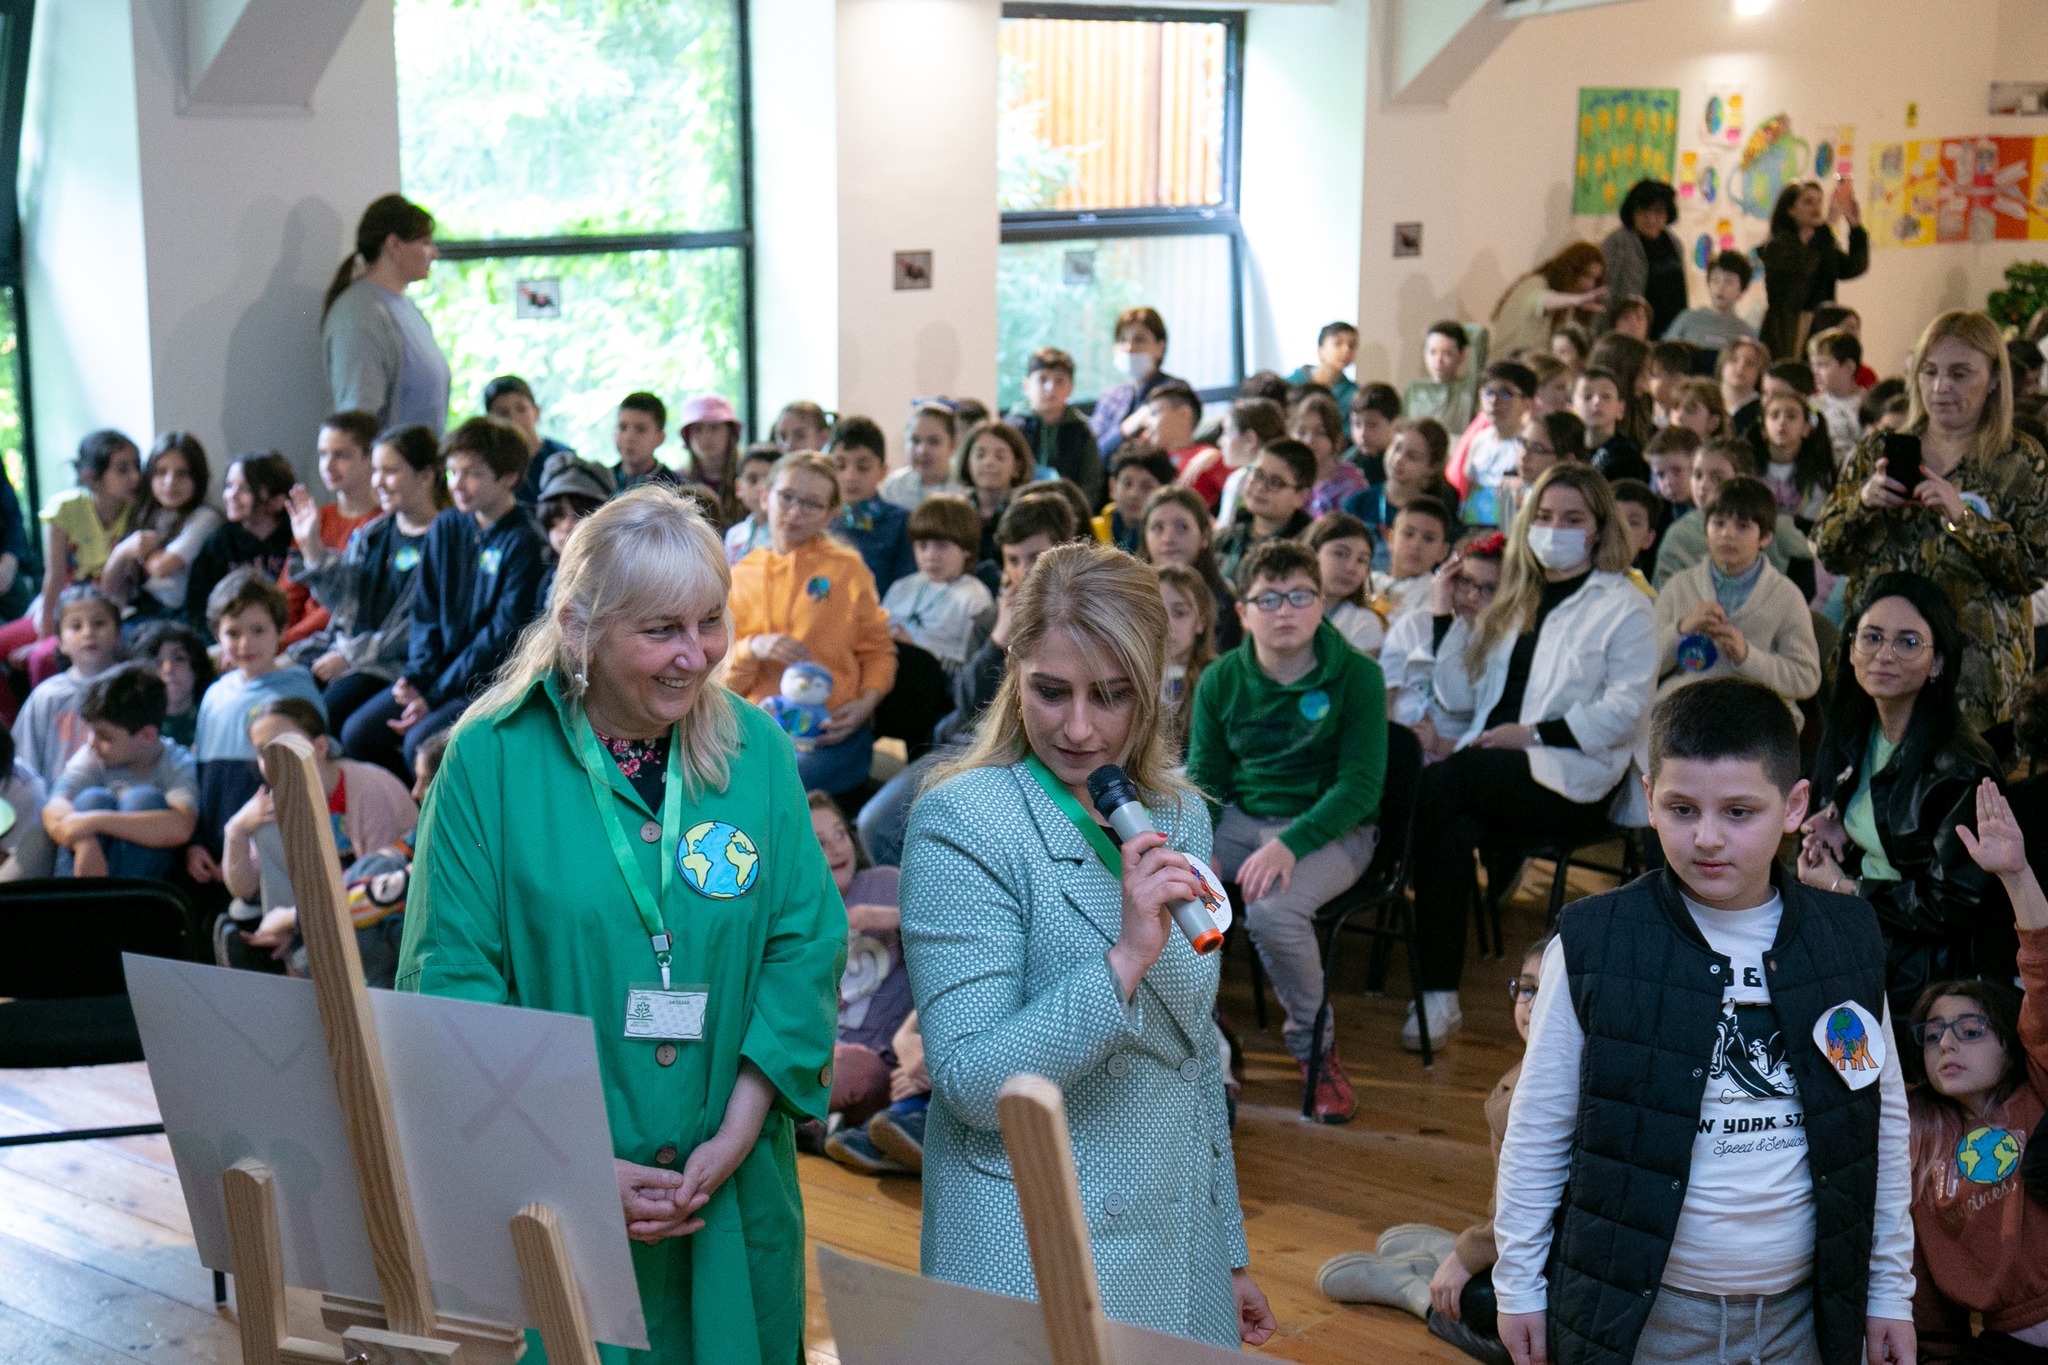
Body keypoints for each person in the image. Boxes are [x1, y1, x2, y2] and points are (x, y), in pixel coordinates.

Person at [396, 486, 846, 1364]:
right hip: (546, 1199)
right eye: (660, 630)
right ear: (580, 628)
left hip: (729, 1190)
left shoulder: (756, 750)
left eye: (710, 621)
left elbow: (805, 944)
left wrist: (739, 1127)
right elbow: (452, 981)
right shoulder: (490, 758)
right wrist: (567, 1165)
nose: (694, 655)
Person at [899, 542, 1275, 1348]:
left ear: (1155, 687)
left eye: (1111, 695)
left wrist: (1227, 1249)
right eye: (1051, 690)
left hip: (1177, 1242)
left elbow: (1193, 1055)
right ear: (1014, 674)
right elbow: (971, 1084)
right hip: (1036, 1243)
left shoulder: (1179, 814)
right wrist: (1124, 961)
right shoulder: (964, 821)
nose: (1078, 727)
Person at [1492, 678, 1915, 1365]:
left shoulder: (1846, 940)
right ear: (1648, 796)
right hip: (1644, 1316)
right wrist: (1516, 1283)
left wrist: (1890, 1290)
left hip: (1803, 1317)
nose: (1707, 837)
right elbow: (1539, 1126)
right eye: (1681, 808)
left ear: (1794, 806)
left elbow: (1881, 1121)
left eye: (1739, 811)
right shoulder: (1595, 940)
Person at [1407, 465, 1655, 1049]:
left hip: (1573, 780)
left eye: (1572, 518)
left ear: (1599, 528)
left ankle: (1395, 871)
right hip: (1487, 770)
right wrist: (1447, 617)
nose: (1554, 528)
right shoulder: (1516, 595)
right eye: (1543, 516)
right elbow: (1459, 697)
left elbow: (1625, 710)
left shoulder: (1627, 606)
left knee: (1439, 790)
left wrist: (1534, 735)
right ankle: (1437, 996)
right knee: (1448, 826)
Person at [1189, 541, 1386, 1121]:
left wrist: (1289, 844)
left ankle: (1315, 1046)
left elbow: (1360, 788)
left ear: (1321, 604)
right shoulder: (1220, 679)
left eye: (1299, 596)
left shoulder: (1359, 675)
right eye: (1268, 599)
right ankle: (1200, 1029)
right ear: (1243, 612)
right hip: (1244, 819)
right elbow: (1206, 782)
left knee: (1274, 913)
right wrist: (1198, 848)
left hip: (1333, 829)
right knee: (1170, 879)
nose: (1285, 611)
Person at [1813, 311, 2048, 740]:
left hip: (1974, 680)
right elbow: (1828, 552)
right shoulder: (1879, 451)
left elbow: (2032, 570)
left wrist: (1964, 520)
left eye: (1959, 374)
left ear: (1994, 379)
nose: (1941, 387)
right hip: (1881, 673)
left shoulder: (2019, 460)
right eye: (1930, 371)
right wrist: (1863, 505)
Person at [1317, 936, 1550, 1365]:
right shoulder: (1530, 1066)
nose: (1532, 1005)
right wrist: (1471, 1253)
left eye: (1549, 992)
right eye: (1527, 988)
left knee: (1514, 1332)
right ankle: (1455, 1253)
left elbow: (1532, 1209)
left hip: (1541, 1253)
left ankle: (1416, 1289)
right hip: (1519, 1241)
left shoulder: (1548, 1090)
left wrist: (1469, 1258)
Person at [1798, 573, 2005, 1036]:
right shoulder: (1855, 731)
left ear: (1937, 663)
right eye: (1871, 637)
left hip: (1921, 972)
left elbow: (1952, 903)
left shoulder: (1961, 766)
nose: (1884, 654)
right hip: (1858, 940)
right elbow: (1885, 826)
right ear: (1852, 649)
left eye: (1908, 642)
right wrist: (1839, 826)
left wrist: (1844, 887)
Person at [1904, 779, 2048, 1361]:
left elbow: (2042, 973)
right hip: (2001, 1346)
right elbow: (1911, 1271)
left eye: (1969, 1030)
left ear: (2010, 1045)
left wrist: (2016, 876)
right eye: (1932, 1034)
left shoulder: (2037, 1087)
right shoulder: (1917, 1131)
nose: (1946, 1043)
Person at [343, 418, 548, 779]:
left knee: (419, 745)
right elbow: (425, 614)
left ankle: (431, 812)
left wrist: (433, 695)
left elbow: (500, 636)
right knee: (357, 733)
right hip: (439, 677)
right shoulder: (447, 525)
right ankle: (400, 807)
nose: (458, 484)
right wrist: (416, 679)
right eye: (453, 472)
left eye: (473, 474)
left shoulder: (524, 540)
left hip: (488, 682)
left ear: (509, 477)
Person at [725, 453, 896, 795]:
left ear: (830, 514)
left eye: (812, 504)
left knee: (774, 788)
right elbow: (722, 684)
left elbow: (879, 651)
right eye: (787, 497)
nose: (795, 512)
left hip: (830, 735)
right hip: (757, 734)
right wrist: (752, 648)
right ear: (765, 497)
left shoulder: (847, 569)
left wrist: (866, 704)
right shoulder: (740, 577)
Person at [221, 699, 418, 980]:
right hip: (318, 914)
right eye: (264, 752)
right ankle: (282, 950)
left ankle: (291, 962)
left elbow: (376, 889)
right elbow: (245, 888)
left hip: (384, 915)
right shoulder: (279, 799)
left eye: (284, 745)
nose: (273, 759)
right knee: (264, 829)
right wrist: (236, 830)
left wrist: (295, 921)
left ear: (321, 747)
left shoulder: (368, 788)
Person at [287, 423, 445, 738]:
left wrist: (350, 656)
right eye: (375, 470)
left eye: (390, 471)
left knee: (330, 720)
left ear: (426, 476)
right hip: (351, 652)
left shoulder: (444, 540)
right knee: (281, 698)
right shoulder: (374, 532)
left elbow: (417, 629)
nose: (378, 482)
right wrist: (313, 547)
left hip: (393, 665)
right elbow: (342, 602)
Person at [188, 569, 326, 882]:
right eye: (233, 633)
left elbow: (315, 771)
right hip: (216, 847)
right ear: (217, 636)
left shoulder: (299, 688)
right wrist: (197, 841)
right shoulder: (214, 694)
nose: (245, 643)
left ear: (281, 630)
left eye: (258, 630)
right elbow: (202, 777)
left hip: (271, 849)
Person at [1653, 476, 1821, 719]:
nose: (1727, 534)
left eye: (1743, 526)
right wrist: (1682, 629)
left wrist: (1748, 657)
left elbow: (1805, 679)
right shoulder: (1679, 586)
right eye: (1718, 523)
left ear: (1765, 538)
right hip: (1686, 711)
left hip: (1755, 717)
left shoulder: (1785, 596)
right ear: (1706, 532)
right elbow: (1645, 666)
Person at [0, 431, 140, 690]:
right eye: (123, 469)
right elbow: (54, 577)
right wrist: (45, 635)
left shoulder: (139, 511)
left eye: (136, 466)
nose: (135, 477)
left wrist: (45, 645)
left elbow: (123, 585)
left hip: (108, 611)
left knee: (43, 658)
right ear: (91, 478)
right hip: (63, 607)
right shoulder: (65, 509)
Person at [41, 663, 197, 879]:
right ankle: (74, 896)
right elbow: (53, 808)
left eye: (105, 737)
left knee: (143, 800)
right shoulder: (92, 755)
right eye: (91, 732)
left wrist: (94, 822)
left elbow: (181, 826)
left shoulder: (176, 761)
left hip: (143, 879)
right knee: (92, 799)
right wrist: (84, 840)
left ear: (147, 736)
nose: (92, 742)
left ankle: (121, 897)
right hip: (88, 870)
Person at [321, 194, 449, 432]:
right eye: (424, 243)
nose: (434, 253)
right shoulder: (360, 314)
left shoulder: (405, 308)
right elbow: (358, 423)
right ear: (394, 245)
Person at [1654, 438, 1816, 595]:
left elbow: (1808, 575)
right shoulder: (1678, 534)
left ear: (1743, 479)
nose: (1703, 485)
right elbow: (1663, 595)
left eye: (1717, 478)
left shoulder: (1776, 526)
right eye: (1697, 475)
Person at [280, 413, 382, 647]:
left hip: (329, 644)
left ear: (370, 458)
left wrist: (284, 643)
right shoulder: (318, 517)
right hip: (287, 640)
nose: (328, 465)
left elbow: (339, 607)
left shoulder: (381, 525)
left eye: (341, 455)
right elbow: (288, 593)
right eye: (323, 454)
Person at [101, 431, 219, 623]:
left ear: (198, 478)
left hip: (181, 614)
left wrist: (138, 554)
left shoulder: (205, 518)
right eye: (161, 472)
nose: (170, 482)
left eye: (182, 473)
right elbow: (108, 590)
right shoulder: (143, 513)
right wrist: (122, 551)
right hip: (141, 608)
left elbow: (162, 567)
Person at [11, 586, 123, 786]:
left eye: (99, 623)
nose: (88, 633)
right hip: (57, 801)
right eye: (76, 626)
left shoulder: (132, 689)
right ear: (60, 642)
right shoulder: (47, 696)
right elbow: (24, 763)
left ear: (117, 633)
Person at [881, 495, 994, 676]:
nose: (930, 555)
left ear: (966, 548)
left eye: (942, 546)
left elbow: (970, 668)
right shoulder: (902, 587)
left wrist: (914, 649)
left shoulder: (973, 596)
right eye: (922, 546)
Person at [1759, 179, 1870, 360]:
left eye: (1819, 201)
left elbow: (1853, 268)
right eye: (1808, 201)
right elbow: (1803, 268)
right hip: (1790, 330)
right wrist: (1827, 226)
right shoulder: (1778, 246)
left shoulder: (1823, 243)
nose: (1816, 207)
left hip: (1821, 323)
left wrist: (1856, 228)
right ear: (1790, 210)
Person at [184, 451, 295, 628]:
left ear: (277, 500)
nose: (232, 495)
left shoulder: (294, 538)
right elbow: (197, 607)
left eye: (246, 489)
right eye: (229, 486)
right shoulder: (220, 542)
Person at [1139, 486, 1242, 653]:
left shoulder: (1223, 602)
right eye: (1158, 528)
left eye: (1182, 527)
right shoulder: (1128, 595)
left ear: (1204, 536)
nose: (1168, 538)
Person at [1347, 418, 1457, 565]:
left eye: (1411, 456)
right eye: (1397, 448)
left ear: (1432, 467)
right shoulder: (1358, 503)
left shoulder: (1435, 515)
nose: (1398, 459)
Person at [826, 416, 915, 596]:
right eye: (840, 466)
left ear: (883, 471)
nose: (850, 476)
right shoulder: (819, 518)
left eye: (863, 467)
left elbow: (905, 590)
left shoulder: (901, 523)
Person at [1008, 347, 1104, 506]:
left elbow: (1090, 485)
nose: (1050, 388)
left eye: (1059, 381)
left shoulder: (1082, 432)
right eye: (1042, 380)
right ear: (1026, 386)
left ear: (1070, 387)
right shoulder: (1011, 429)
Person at [1213, 439, 1314, 588]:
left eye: (1275, 482)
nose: (1260, 486)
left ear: (1301, 496)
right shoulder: (1229, 535)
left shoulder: (1305, 548)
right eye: (1257, 474)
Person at [1448, 363, 1536, 527]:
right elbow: (1470, 490)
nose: (1495, 401)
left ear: (1527, 403)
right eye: (1489, 393)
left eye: (1506, 394)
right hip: (1474, 526)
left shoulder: (1529, 446)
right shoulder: (1479, 440)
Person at [1489, 243, 1607, 361]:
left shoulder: (1567, 307)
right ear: (1570, 270)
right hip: (1506, 367)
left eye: (1595, 279)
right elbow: (1540, 301)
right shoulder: (1535, 283)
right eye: (1586, 275)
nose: (1591, 285)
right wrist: (1575, 300)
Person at [1089, 306, 1179, 461]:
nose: (1129, 347)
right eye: (1122, 340)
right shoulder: (1110, 397)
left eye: (1139, 339)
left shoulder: (1174, 392)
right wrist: (1124, 430)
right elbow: (1092, 454)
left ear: (1160, 347)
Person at [1599, 179, 1687, 338]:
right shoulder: (1617, 243)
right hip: (1630, 333)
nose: (1651, 218)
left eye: (1658, 211)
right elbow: (1604, 292)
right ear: (1632, 212)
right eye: (1644, 211)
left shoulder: (1674, 243)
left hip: (1669, 333)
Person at [955, 419, 1035, 564]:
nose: (989, 462)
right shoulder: (955, 511)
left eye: (1000, 456)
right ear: (967, 464)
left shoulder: (1027, 514)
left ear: (1017, 467)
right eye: (980, 455)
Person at [1157, 562, 1217, 753]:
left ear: (1201, 622)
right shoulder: (1125, 677)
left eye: (1179, 613)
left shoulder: (1217, 678)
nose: (1166, 624)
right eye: (1157, 612)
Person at [1309, 512, 1384, 656]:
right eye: (1340, 553)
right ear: (1311, 553)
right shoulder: (1281, 608)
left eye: (1361, 560)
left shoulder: (1363, 623)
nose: (1351, 568)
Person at [130, 618, 213, 748]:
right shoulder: (131, 726)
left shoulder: (215, 715)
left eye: (179, 659)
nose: (168, 669)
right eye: (156, 661)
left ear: (197, 667)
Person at [1664, 249, 1760, 358]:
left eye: (1729, 281)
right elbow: (1665, 356)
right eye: (1715, 280)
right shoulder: (1687, 320)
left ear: (1742, 289)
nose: (1720, 287)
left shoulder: (1745, 335)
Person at [1093, 445, 1175, 553]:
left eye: (1146, 487)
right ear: (1112, 486)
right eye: (1127, 483)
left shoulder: (1169, 543)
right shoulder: (1091, 532)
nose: (1134, 494)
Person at [881, 403, 963, 510]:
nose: (922, 450)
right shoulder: (896, 485)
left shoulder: (964, 486)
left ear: (952, 444)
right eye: (915, 440)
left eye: (933, 441)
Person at [674, 394, 743, 514]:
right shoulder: (677, 480)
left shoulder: (747, 475)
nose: (706, 436)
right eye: (698, 429)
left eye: (714, 427)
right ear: (687, 437)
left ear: (730, 433)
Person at [1808, 328, 1866, 469]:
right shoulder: (1812, 405)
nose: (1815, 372)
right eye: (1813, 365)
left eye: (1822, 365)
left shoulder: (1867, 404)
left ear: (1849, 367)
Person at [1406, 321, 1476, 434]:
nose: (1438, 360)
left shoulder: (1467, 390)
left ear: (1461, 355)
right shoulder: (1414, 389)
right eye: (1432, 352)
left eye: (1447, 353)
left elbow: (1479, 334)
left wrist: (1458, 332)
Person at [722, 444, 779, 565]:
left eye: (770, 481)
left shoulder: (788, 536)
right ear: (738, 488)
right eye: (752, 479)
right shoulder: (734, 535)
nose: (761, 487)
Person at [613, 392, 679, 493]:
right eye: (622, 427)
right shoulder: (600, 480)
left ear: (660, 437)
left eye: (640, 429)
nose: (629, 437)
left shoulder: (673, 489)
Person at [1345, 382, 1404, 486]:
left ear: (1395, 424)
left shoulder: (1401, 465)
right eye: (1357, 424)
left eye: (1372, 425)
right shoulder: (1348, 464)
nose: (1362, 434)